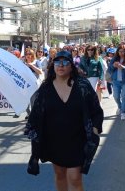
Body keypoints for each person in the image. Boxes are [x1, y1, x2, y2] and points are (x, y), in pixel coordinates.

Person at [24, 51, 104, 191]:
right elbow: (36, 113)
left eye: (65, 62)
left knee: (74, 178)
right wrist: (33, 130)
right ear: (52, 65)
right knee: (60, 174)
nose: (61, 65)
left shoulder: (82, 85)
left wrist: (95, 129)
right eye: (57, 62)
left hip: (78, 139)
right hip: (54, 140)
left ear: (71, 66)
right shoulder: (46, 87)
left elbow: (96, 110)